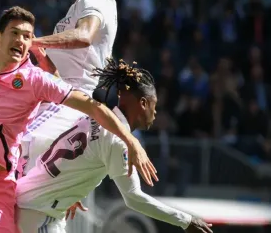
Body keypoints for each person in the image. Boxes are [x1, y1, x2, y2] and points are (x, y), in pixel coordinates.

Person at [0, 6, 156, 233]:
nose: (22, 41)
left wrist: (130, 140)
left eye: (27, 36)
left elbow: (93, 108)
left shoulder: (36, 80)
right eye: (15, 33)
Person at [16, 59, 213, 233]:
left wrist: (68, 189)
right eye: (155, 105)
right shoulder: (119, 140)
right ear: (144, 103)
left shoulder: (95, 117)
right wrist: (186, 221)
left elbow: (72, 156)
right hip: (39, 211)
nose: (155, 113)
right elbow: (133, 198)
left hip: (37, 206)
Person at [20, 0, 133, 180]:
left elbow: (83, 37)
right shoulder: (88, 1)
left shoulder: (97, 1)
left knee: (18, 156)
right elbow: (68, 59)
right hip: (59, 93)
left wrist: (34, 42)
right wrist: (40, 56)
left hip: (67, 99)